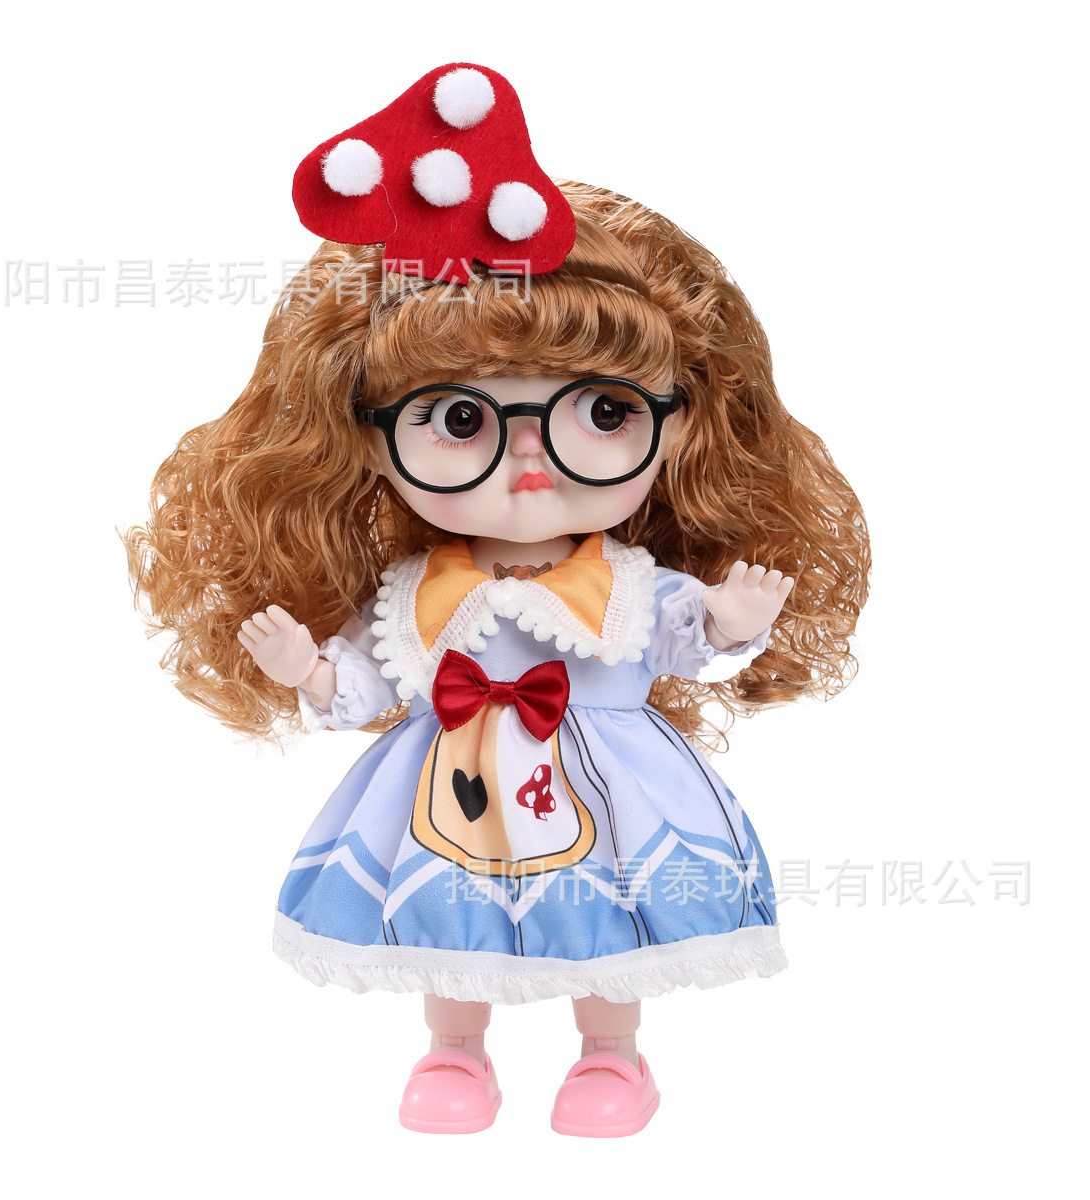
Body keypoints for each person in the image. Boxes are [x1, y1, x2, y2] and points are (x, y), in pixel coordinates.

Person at [127, 65, 869, 1137]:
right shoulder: (411, 593)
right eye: (460, 420)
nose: (532, 461)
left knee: (609, 919)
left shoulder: (626, 581)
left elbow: (679, 634)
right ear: (367, 439)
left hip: (610, 776)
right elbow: (372, 681)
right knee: (451, 918)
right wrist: (312, 673)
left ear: (680, 425)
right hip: (450, 773)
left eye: (603, 413)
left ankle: (611, 1056)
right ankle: (455, 1052)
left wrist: (729, 623)